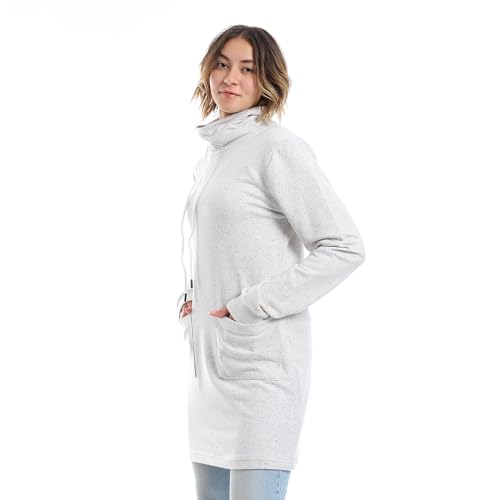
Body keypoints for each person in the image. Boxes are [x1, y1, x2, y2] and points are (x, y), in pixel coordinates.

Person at [176, 24, 366, 500]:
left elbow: (344, 246)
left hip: (261, 373)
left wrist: (250, 305)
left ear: (268, 81)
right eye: (222, 64)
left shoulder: (277, 149)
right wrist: (193, 301)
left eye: (247, 68)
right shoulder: (212, 158)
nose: (230, 78)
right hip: (208, 374)